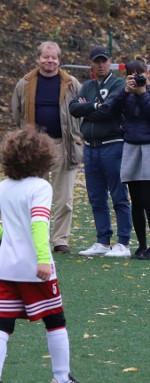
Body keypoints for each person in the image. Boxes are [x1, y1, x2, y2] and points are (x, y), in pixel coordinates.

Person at [0, 128, 90, 383]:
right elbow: (39, 225)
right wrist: (42, 260)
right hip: (33, 269)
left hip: (5, 267)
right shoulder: (41, 187)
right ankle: (62, 380)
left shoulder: (3, 187)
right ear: (43, 157)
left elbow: (2, 228)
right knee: (55, 320)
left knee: (3, 325)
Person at [11, 41, 83, 254]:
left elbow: (82, 110)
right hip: (35, 147)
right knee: (33, 195)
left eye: (54, 58)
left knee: (64, 198)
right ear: (38, 59)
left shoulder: (71, 83)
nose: (50, 61)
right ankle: (36, 238)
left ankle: (60, 240)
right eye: (46, 57)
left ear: (59, 60)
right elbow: (16, 113)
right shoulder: (24, 83)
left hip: (64, 145)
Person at [69, 46, 132, 258]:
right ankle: (103, 241)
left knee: (118, 195)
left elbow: (110, 109)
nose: (101, 64)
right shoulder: (87, 86)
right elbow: (73, 108)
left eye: (104, 60)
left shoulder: (118, 83)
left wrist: (90, 109)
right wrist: (96, 106)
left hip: (113, 145)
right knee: (96, 197)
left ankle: (123, 242)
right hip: (91, 147)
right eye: (97, 61)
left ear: (110, 61)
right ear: (91, 63)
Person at [111, 55, 150, 260]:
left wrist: (143, 93)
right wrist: (124, 92)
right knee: (135, 201)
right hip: (131, 146)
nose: (136, 78)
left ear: (148, 73)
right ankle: (141, 247)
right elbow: (111, 112)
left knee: (148, 199)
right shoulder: (126, 93)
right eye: (131, 75)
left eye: (140, 74)